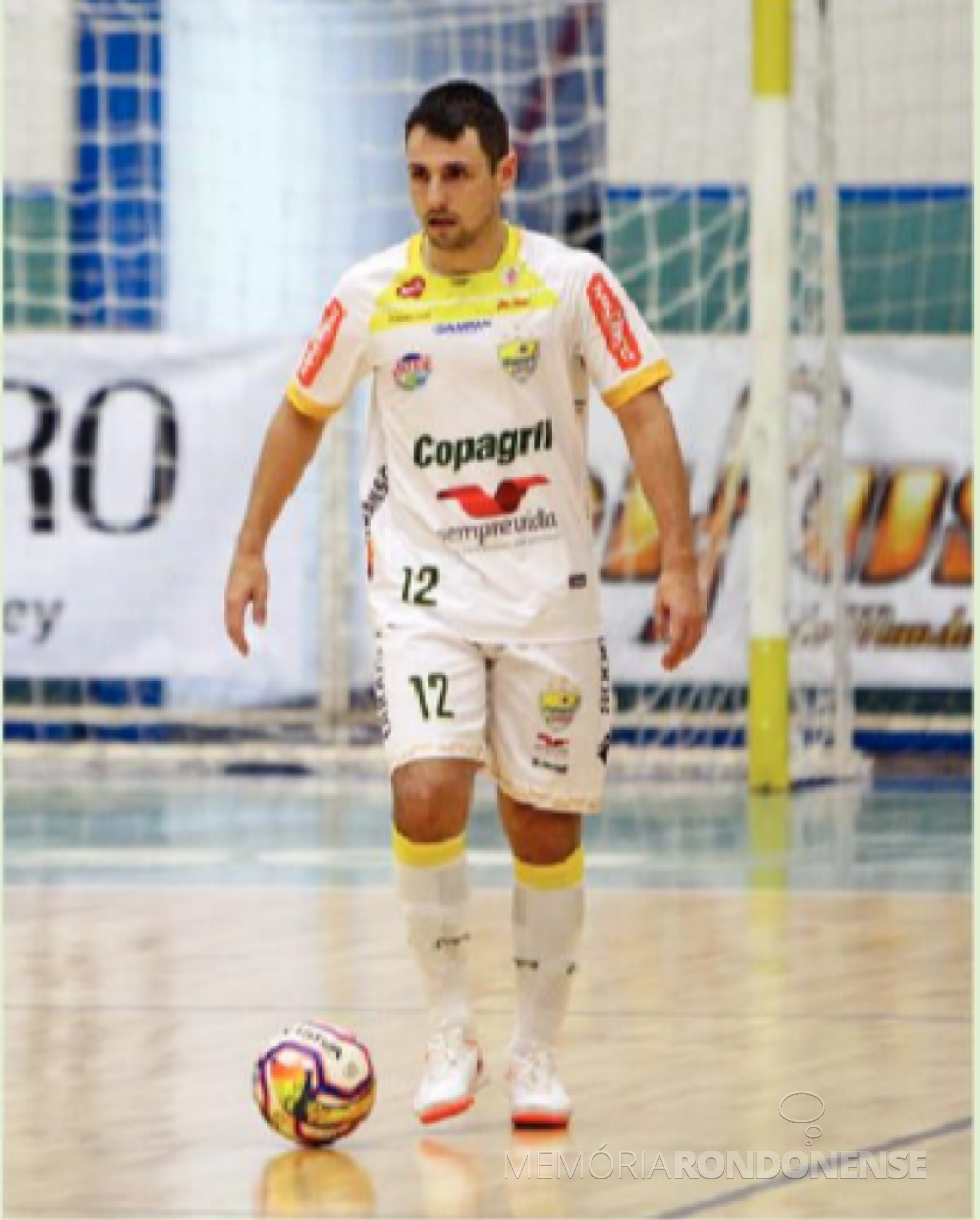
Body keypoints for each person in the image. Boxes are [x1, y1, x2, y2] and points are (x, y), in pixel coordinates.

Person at [225, 80, 705, 1130]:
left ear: (503, 173)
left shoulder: (569, 283)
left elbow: (645, 413)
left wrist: (678, 557)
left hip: (547, 591)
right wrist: (250, 545)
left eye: (453, 173)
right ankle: (449, 1029)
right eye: (417, 175)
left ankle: (536, 1050)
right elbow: (298, 418)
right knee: (428, 790)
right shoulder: (368, 293)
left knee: (538, 819)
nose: (432, 196)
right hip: (423, 587)